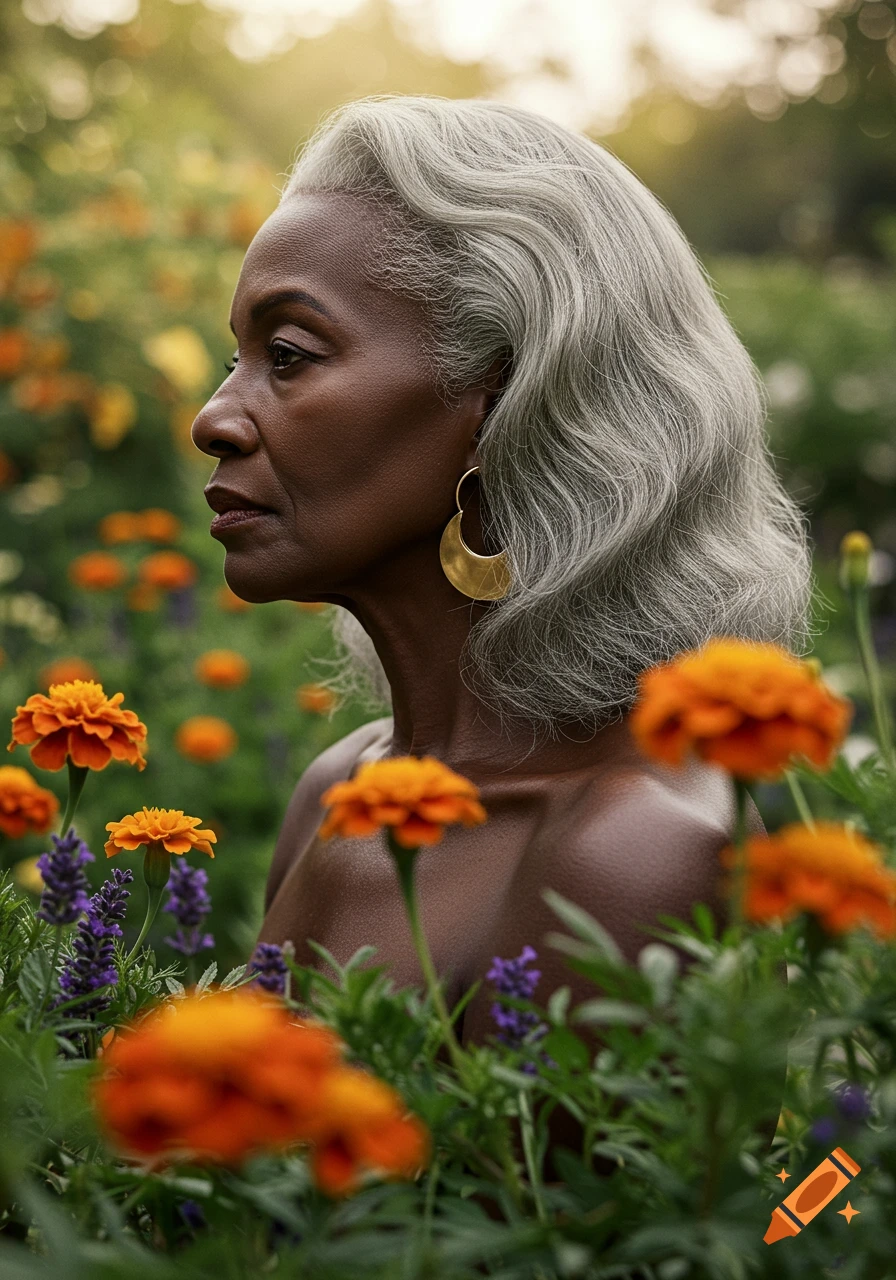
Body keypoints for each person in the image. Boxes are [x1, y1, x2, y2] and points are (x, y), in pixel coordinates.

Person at [191, 93, 811, 1063]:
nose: (214, 418)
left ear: (501, 399)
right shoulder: (340, 788)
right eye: (235, 357)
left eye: (288, 354)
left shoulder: (628, 855)